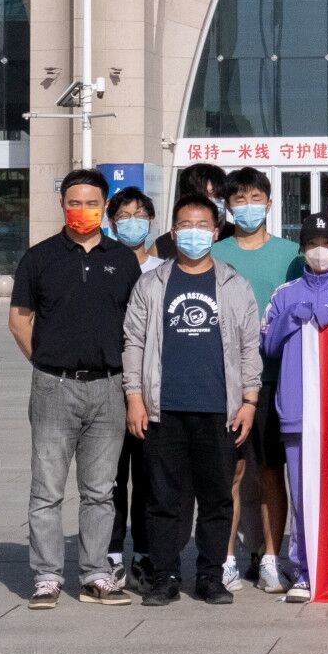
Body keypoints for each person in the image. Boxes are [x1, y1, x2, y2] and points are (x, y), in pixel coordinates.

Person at [8, 167, 142, 609]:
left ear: (105, 207)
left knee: (100, 490)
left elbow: (135, 325)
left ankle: (96, 573)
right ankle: (47, 576)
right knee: (47, 489)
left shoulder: (123, 259)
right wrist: (48, 362)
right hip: (54, 387)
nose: (82, 210)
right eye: (74, 202)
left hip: (109, 387)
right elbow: (19, 321)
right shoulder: (39, 258)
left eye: (91, 203)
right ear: (62, 205)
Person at [122, 195, 262, 607]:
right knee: (163, 499)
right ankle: (164, 576)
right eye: (186, 225)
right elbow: (133, 342)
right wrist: (134, 397)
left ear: (216, 233)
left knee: (217, 499)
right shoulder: (152, 283)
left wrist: (249, 400)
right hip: (164, 409)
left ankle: (210, 576)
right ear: (173, 231)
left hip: (219, 409)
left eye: (203, 225)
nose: (194, 233)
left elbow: (249, 346)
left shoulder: (234, 284)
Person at [257, 213, 328, 604]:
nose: (320, 251)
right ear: (302, 249)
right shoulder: (284, 294)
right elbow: (268, 346)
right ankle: (305, 570)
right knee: (303, 495)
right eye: (312, 245)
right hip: (297, 410)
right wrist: (291, 318)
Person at [215, 169, 299, 594]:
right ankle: (226, 559)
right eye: (239, 200)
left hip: (275, 379)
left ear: (269, 202)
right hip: (225, 381)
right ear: (228, 207)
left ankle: (270, 558)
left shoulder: (292, 254)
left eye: (255, 198)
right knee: (229, 473)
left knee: (270, 472)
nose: (248, 207)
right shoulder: (215, 252)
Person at [101, 187, 160, 591]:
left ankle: (144, 551)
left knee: (150, 475)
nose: (132, 222)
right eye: (124, 216)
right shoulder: (102, 264)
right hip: (109, 384)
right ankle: (110, 551)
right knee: (111, 475)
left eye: (140, 215)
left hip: (152, 385)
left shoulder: (163, 269)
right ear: (112, 222)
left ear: (151, 221)